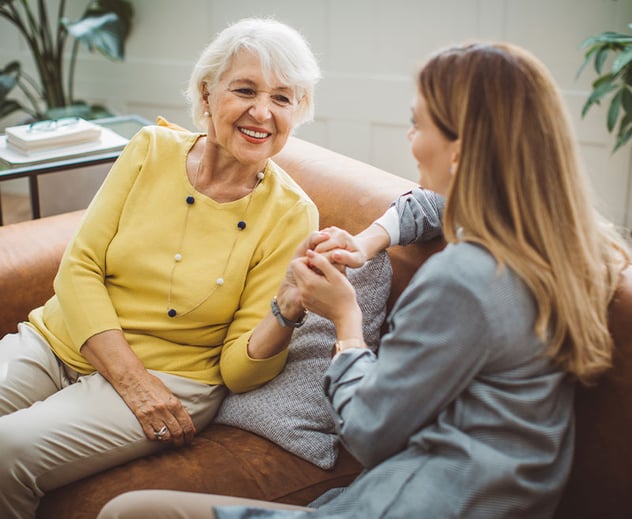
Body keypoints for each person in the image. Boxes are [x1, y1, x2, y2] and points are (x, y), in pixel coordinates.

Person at [97, 41, 631, 519]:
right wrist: (369, 240)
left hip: (420, 501)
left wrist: (345, 321)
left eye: (420, 124)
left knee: (131, 511)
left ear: (461, 149)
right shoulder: (565, 239)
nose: (410, 138)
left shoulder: (463, 280)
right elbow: (434, 206)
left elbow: (371, 434)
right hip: (504, 493)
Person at [0, 17, 321, 519]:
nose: (263, 112)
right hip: (64, 339)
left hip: (172, 376)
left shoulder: (291, 214)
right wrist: (129, 378)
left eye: (283, 98)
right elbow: (79, 266)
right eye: (245, 89)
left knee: (7, 451)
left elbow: (237, 371)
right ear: (207, 93)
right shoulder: (150, 149)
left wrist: (286, 311)